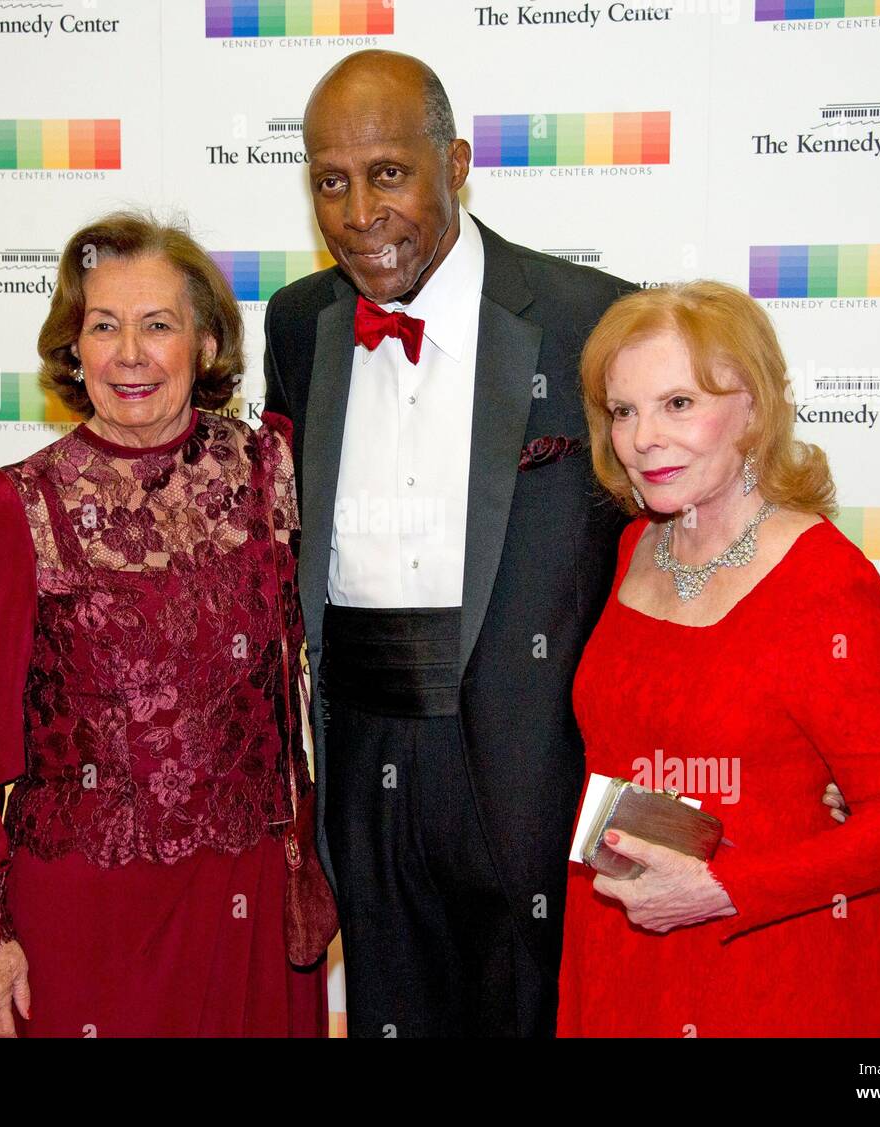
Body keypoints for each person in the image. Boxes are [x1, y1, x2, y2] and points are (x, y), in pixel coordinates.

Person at [262, 48, 635, 1037]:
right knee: (390, 1004)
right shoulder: (300, 321)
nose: (356, 213)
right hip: (361, 740)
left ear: (456, 164)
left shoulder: (587, 315)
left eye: (387, 174)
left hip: (529, 747)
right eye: (328, 182)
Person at [0, 210, 326, 1037]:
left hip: (254, 897)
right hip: (90, 914)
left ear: (206, 344)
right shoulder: (12, 507)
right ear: (74, 348)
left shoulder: (271, 467)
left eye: (158, 326)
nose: (130, 354)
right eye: (103, 326)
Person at [558, 280, 880, 1037]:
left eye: (679, 404)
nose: (643, 438)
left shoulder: (824, 582)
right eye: (624, 410)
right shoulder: (637, 546)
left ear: (755, 410)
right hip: (619, 949)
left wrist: (720, 886)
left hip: (768, 964)